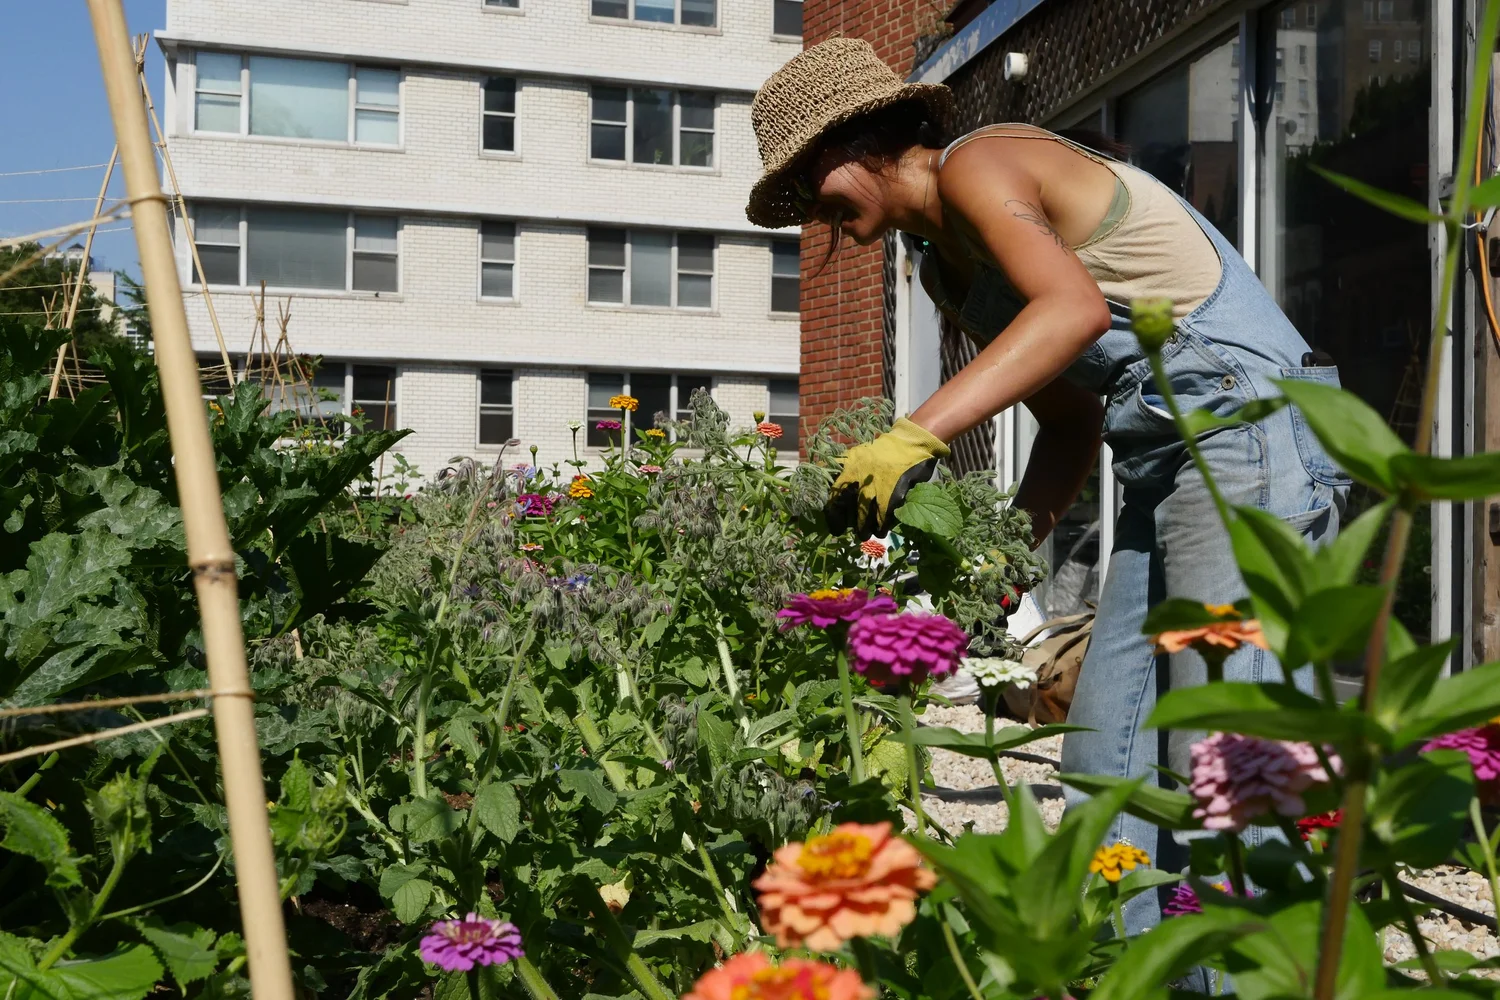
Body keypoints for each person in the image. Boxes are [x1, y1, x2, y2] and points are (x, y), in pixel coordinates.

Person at [745, 37, 1350, 935]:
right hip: (1162, 462)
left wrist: (914, 433)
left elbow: (1073, 311)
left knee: (1229, 761)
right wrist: (1002, 556)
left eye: (806, 185)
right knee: (1107, 760)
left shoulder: (980, 167)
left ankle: (1262, 976)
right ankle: (1145, 978)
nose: (811, 215)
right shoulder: (942, 266)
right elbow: (1070, 425)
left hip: (1246, 437)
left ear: (855, 142)